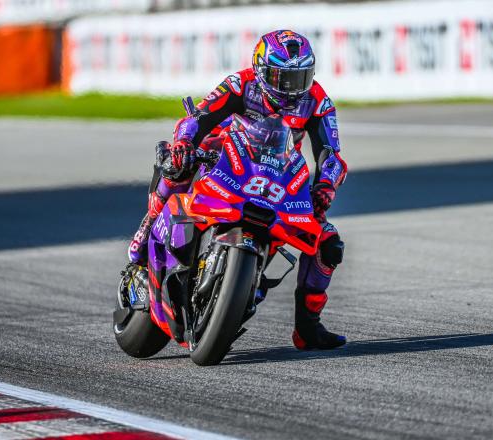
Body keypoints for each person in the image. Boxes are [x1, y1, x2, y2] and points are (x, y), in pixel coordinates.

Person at [127, 30, 348, 350]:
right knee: (178, 165)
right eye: (282, 78)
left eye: (300, 78)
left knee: (329, 244)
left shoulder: (316, 101)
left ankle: (308, 328)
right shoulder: (240, 84)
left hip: (276, 178)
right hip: (222, 160)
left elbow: (331, 154)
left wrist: (325, 186)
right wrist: (185, 145)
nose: (292, 88)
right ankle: (149, 225)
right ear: (261, 70)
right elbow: (198, 118)